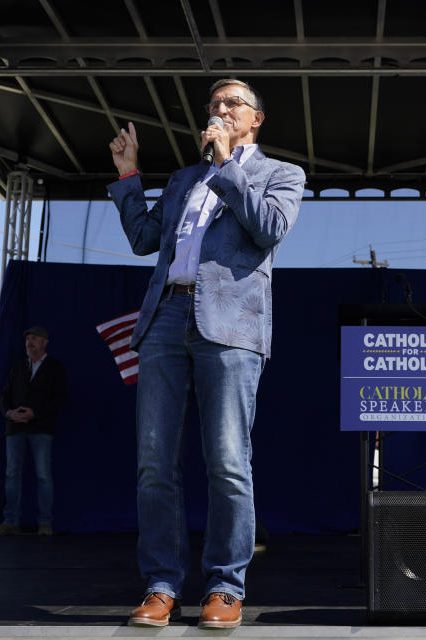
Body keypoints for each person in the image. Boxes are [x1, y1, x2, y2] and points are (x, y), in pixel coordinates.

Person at [106, 78, 304, 629]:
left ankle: (224, 586)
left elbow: (268, 230)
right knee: (153, 462)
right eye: (214, 104)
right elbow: (146, 239)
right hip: (167, 316)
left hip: (230, 326)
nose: (218, 110)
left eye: (231, 103)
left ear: (255, 119)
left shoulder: (280, 175)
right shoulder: (182, 179)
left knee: (227, 461)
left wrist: (228, 165)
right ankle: (162, 584)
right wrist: (128, 175)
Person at [0, 325, 67, 536]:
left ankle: (45, 523)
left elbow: (59, 399)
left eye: (34, 339)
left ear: (44, 342)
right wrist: (8, 413)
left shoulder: (54, 368)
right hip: (15, 428)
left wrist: (35, 413)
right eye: (27, 339)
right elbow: (4, 396)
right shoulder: (17, 368)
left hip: (41, 428)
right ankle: (11, 522)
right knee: (12, 474)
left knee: (43, 476)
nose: (29, 343)